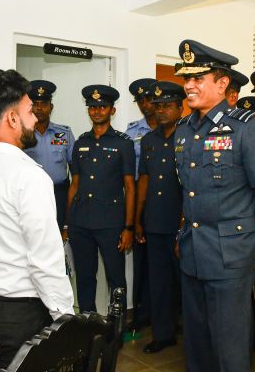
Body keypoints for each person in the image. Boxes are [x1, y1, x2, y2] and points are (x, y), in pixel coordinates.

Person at [173, 39, 255, 372]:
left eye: (198, 78)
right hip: (192, 252)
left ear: (223, 83)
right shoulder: (184, 130)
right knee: (197, 345)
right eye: (187, 78)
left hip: (230, 256)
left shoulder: (246, 129)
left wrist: (253, 233)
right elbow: (190, 192)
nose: (189, 85)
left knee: (229, 348)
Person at [0, 69, 74, 369]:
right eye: (29, 111)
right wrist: (66, 319)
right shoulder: (30, 177)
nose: (35, 118)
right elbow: (44, 261)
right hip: (18, 315)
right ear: (12, 118)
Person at [65, 84, 135, 320]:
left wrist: (128, 227)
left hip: (110, 223)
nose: (97, 111)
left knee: (116, 279)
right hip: (81, 222)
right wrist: (68, 222)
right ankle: (88, 324)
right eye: (92, 107)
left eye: (102, 107)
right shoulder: (80, 143)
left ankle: (117, 327)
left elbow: (130, 187)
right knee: (85, 276)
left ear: (112, 110)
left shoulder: (123, 143)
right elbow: (74, 184)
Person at [135, 81, 185, 354]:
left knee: (186, 283)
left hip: (183, 223)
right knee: (159, 282)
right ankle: (163, 334)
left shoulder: (190, 137)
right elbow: (144, 179)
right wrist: (138, 219)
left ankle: (193, 337)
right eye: (158, 106)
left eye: (167, 105)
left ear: (180, 108)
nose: (161, 110)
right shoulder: (149, 140)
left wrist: (185, 222)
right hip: (154, 221)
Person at [125, 78, 156, 331]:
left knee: (167, 261)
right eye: (141, 101)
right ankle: (141, 314)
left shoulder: (178, 128)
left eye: (149, 99)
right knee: (142, 262)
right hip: (139, 199)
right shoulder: (132, 132)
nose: (146, 104)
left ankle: (167, 315)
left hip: (168, 200)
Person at [23, 80, 75, 230]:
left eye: (44, 104)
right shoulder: (22, 134)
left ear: (51, 107)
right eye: (35, 104)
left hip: (59, 193)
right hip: (30, 194)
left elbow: (75, 170)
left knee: (58, 232)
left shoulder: (64, 133)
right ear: (29, 107)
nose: (39, 108)